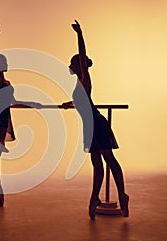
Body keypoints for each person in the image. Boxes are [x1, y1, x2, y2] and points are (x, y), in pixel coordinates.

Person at [62, 20, 129, 220]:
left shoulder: (85, 78)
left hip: (97, 125)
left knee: (108, 160)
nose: (70, 65)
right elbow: (83, 101)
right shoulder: (78, 84)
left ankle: (122, 195)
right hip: (90, 127)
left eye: (73, 62)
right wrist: (70, 104)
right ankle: (94, 198)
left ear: (79, 64)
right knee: (97, 164)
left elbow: (82, 55)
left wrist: (79, 33)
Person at [0, 22, 42, 207]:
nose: (7, 64)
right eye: (4, 62)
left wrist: (32, 104)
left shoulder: (8, 82)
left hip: (5, 116)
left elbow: (13, 101)